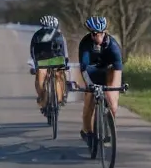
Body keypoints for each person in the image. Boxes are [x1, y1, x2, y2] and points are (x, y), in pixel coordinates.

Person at [75, 15, 124, 145]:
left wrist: (113, 91)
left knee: (112, 103)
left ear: (104, 33)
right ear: (91, 33)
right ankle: (86, 131)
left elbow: (118, 71)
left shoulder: (113, 46)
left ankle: (108, 126)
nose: (97, 37)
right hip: (91, 71)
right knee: (89, 101)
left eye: (100, 33)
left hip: (109, 71)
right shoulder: (85, 44)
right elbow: (84, 69)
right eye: (94, 34)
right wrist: (90, 86)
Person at [29, 15, 69, 115]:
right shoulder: (59, 34)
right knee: (60, 75)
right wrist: (66, 62)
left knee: (40, 79)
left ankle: (43, 97)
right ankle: (62, 95)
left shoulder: (38, 34)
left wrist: (35, 65)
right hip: (54, 60)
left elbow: (32, 51)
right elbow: (64, 51)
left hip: (43, 60)